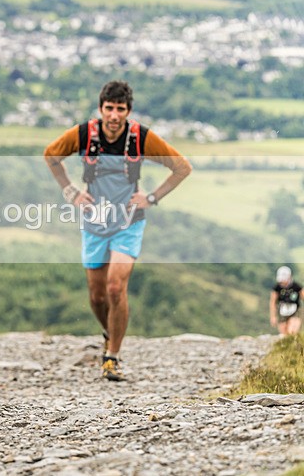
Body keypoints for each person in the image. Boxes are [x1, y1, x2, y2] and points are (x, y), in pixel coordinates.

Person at [44, 80, 192, 381]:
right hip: (94, 221)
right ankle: (109, 332)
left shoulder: (140, 137)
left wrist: (151, 198)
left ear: (128, 111)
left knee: (115, 287)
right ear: (101, 109)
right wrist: (70, 191)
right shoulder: (84, 134)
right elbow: (51, 156)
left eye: (120, 109)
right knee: (97, 296)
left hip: (129, 221)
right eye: (109, 108)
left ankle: (112, 355)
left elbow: (182, 167)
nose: (114, 115)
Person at [270, 265, 302, 336]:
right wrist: (273, 316)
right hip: (282, 311)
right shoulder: (277, 288)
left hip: (295, 310)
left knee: (292, 332)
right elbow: (273, 302)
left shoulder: (296, 287)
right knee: (284, 334)